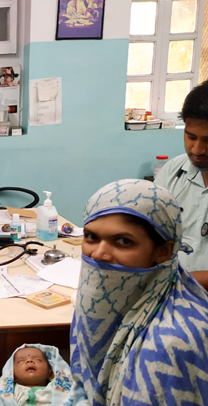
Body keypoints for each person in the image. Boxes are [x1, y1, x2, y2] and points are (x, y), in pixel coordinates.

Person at [70, 179, 208, 405]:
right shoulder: (93, 302)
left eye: (123, 241)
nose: (98, 254)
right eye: (91, 237)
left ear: (164, 251)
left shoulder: (170, 345)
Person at [155, 81, 208, 290]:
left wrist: (176, 282)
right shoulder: (175, 171)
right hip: (169, 296)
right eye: (190, 136)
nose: (198, 149)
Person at [0, 344, 87, 406]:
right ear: (12, 375)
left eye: (38, 360)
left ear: (51, 373)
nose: (29, 361)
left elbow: (78, 400)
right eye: (21, 361)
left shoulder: (56, 387)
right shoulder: (12, 392)